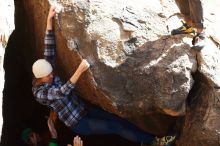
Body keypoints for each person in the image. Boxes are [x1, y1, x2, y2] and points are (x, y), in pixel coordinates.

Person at [32, 6, 175, 146]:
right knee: (117, 128)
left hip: (83, 108)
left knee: (119, 121)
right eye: (48, 76)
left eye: (51, 72)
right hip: (78, 122)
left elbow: (49, 45)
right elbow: (62, 92)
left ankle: (146, 140)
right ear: (40, 78)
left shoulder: (45, 69)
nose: (51, 75)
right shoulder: (40, 93)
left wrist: (49, 19)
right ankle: (155, 142)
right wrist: (80, 70)